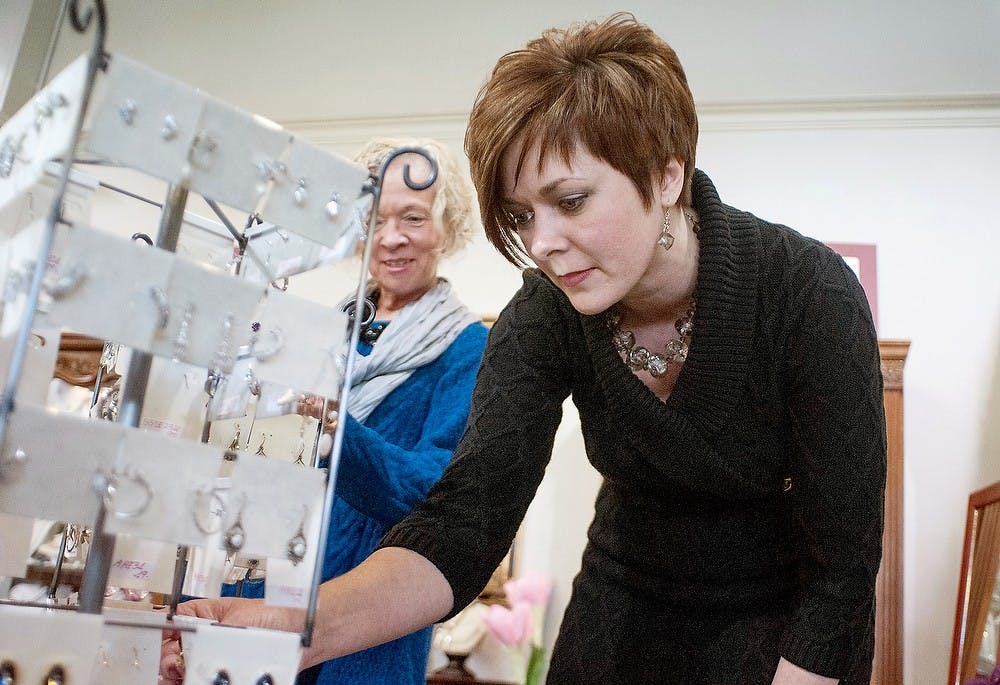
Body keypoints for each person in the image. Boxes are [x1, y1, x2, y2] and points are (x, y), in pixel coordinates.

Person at [163, 14, 885, 685]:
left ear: (667, 173)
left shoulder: (807, 292)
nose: (541, 244)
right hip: (619, 611)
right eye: (520, 216)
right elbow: (464, 516)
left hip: (786, 625)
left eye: (569, 201)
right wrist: (298, 626)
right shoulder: (547, 310)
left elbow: (843, 568)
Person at [169, 137, 488, 685]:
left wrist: (333, 423)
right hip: (257, 599)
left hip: (365, 633)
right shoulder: (317, 334)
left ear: (447, 227)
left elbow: (434, 495)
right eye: (375, 219)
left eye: (413, 217)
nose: (391, 239)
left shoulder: (467, 349)